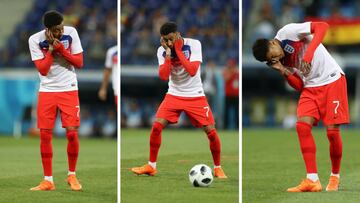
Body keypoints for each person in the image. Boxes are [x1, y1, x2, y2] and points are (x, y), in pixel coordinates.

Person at [252, 21, 349, 192]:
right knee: (302, 127)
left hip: (332, 79)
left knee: (332, 133)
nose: (275, 58)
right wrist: (283, 70)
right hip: (310, 87)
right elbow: (299, 86)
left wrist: (309, 53)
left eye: (273, 54)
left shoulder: (288, 32)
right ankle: (312, 179)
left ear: (273, 43)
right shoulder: (281, 61)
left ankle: (335, 176)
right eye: (271, 60)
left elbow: (322, 27)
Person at [131, 22, 227, 178]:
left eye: (170, 39)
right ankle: (151, 166)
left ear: (177, 34)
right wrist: (169, 54)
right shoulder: (161, 51)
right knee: (156, 127)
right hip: (174, 94)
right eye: (165, 40)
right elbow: (163, 76)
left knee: (211, 132)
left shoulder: (194, 44)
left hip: (195, 95)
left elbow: (192, 70)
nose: (168, 43)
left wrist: (177, 50)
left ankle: (217, 168)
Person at [28, 10, 84, 191]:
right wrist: (51, 51)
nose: (60, 32)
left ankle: (72, 175)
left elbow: (79, 62)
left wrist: (62, 50)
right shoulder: (34, 40)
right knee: (45, 135)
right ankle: (48, 180)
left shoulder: (72, 32)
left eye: (61, 28)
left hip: (69, 88)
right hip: (47, 90)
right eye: (56, 30)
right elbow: (43, 70)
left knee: (72, 133)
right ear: (47, 30)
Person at [223, 58, 239, 129]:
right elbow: (226, 79)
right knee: (226, 111)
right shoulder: (226, 72)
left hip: (236, 95)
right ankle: (225, 126)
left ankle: (237, 126)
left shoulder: (237, 73)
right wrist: (232, 72)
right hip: (228, 95)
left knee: (237, 112)